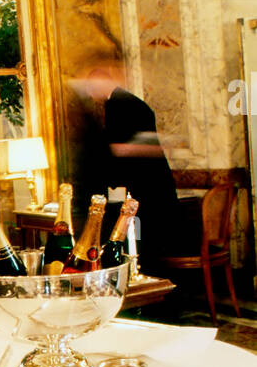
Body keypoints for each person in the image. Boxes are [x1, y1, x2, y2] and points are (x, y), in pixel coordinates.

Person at [66, 58, 180, 274]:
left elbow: (122, 151)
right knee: (148, 247)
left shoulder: (119, 104)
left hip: (148, 189)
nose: (91, 95)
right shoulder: (128, 101)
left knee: (145, 249)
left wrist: (106, 175)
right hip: (155, 185)